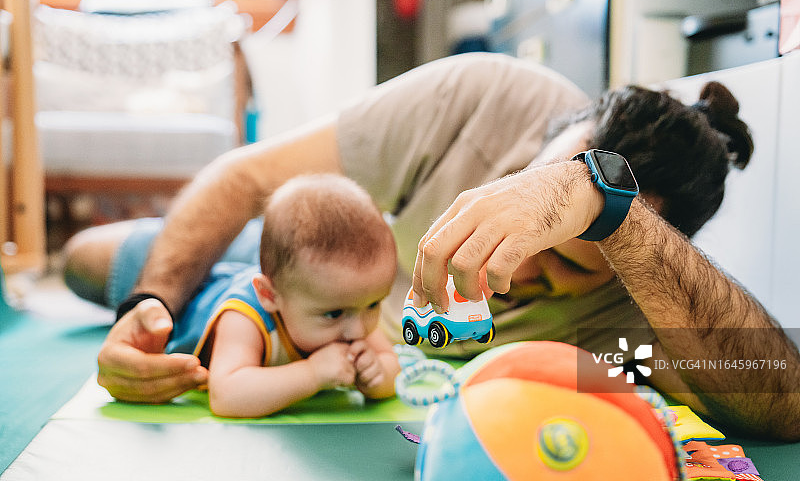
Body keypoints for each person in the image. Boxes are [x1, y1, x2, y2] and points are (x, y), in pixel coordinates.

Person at [64, 53, 799, 439]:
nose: (509, 262)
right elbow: (247, 176)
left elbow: (787, 405)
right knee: (84, 263)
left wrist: (608, 212)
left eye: (566, 257)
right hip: (316, 261)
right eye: (529, 195)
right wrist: (149, 306)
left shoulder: (643, 317)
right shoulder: (486, 95)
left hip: (357, 343)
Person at [159, 174, 399, 417]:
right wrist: (313, 373)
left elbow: (392, 365)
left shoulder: (350, 307)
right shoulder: (243, 319)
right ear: (270, 296)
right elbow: (226, 396)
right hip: (189, 292)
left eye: (374, 304)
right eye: (333, 314)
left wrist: (377, 375)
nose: (358, 331)